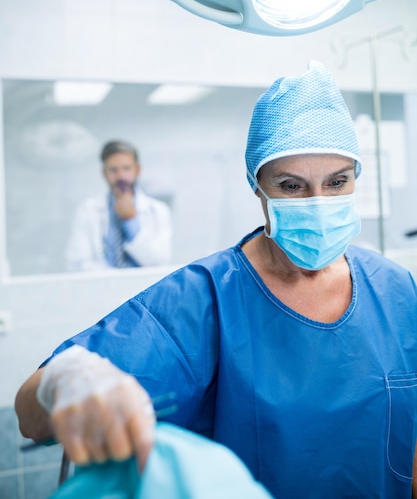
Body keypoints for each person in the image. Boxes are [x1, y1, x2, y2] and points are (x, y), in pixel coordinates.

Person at [15, 61, 417, 498]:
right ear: (257, 187)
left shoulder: (396, 289)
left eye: (337, 182)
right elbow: (29, 413)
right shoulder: (205, 298)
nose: (318, 203)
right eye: (291, 186)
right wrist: (67, 382)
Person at [65, 140, 173, 270]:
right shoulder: (87, 210)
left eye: (126, 168)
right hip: (102, 287)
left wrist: (131, 220)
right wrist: (113, 281)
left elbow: (158, 262)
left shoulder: (158, 210)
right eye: (113, 170)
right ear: (104, 173)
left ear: (137, 170)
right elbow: (76, 264)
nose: (121, 176)